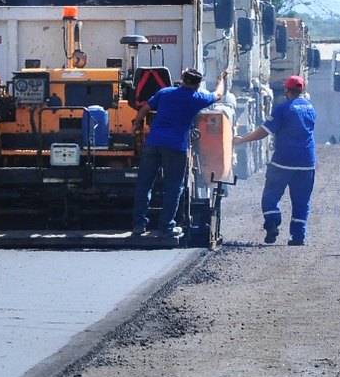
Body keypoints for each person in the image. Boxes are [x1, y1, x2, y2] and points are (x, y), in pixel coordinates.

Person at [134, 67, 229, 239]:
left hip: (153, 143)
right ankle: (165, 227)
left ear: (182, 79)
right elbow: (218, 95)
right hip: (175, 147)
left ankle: (139, 225)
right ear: (198, 85)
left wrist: (136, 124)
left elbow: (146, 107)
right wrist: (221, 81)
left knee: (144, 184)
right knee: (173, 187)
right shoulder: (197, 98)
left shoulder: (165, 92)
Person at [235, 73, 317, 245]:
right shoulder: (310, 108)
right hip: (307, 163)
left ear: (287, 90)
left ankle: (272, 221)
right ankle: (298, 237)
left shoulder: (283, 108)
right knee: (302, 201)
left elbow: (264, 131)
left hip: (283, 161)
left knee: (271, 195)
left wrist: (242, 139)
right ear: (302, 90)